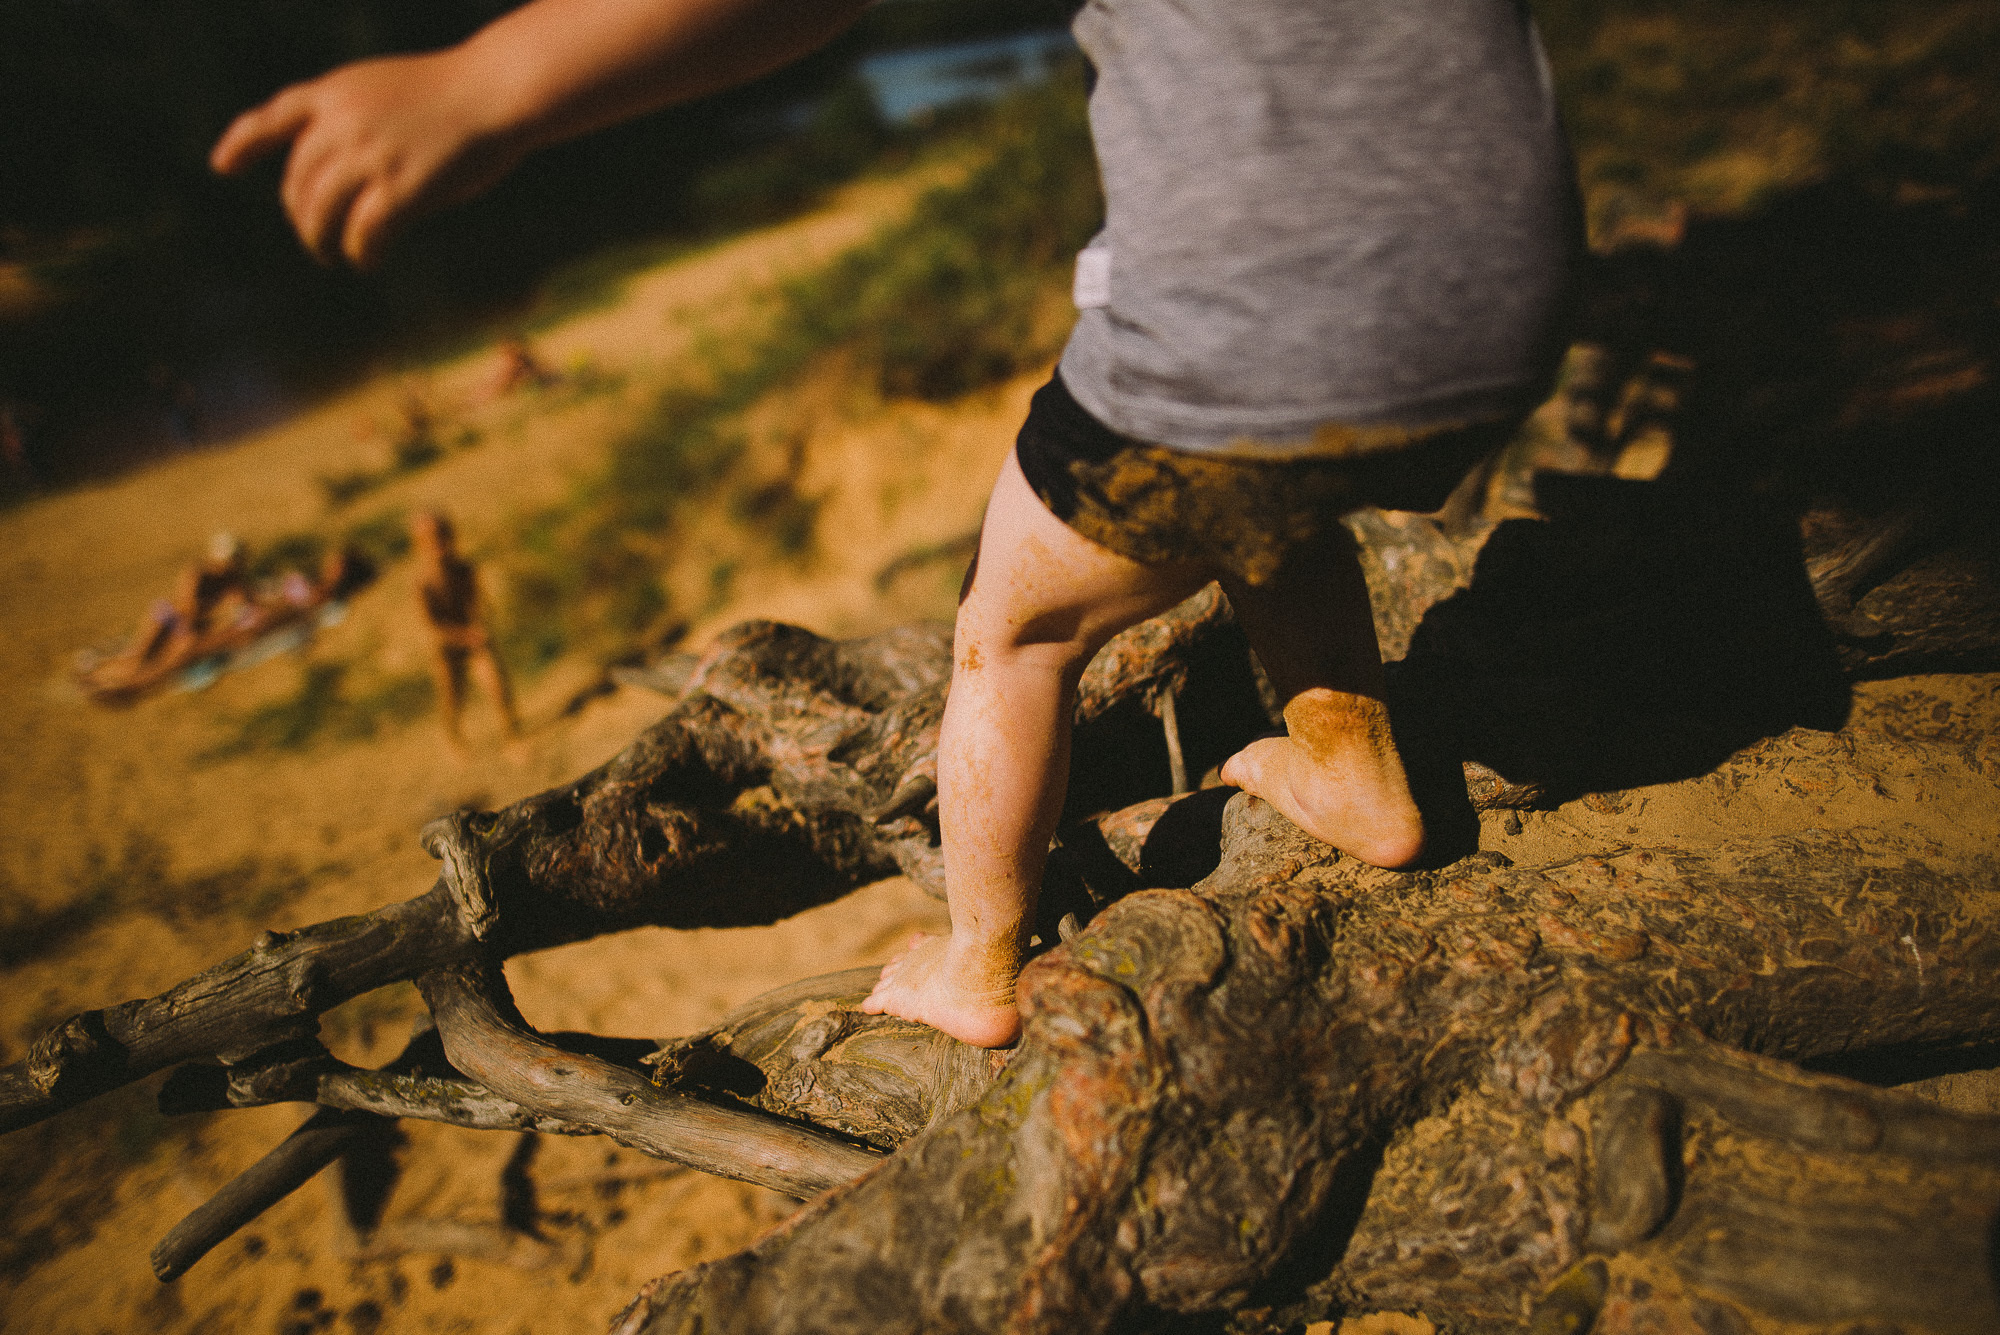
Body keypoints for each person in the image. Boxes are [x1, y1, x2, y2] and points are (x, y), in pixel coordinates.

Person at [212, 0, 1577, 1046]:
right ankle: (1356, 773)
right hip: (1508, 289)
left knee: (1013, 632)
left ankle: (977, 963)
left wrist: (484, 84)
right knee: (1269, 498)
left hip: (1255, 316)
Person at [410, 510, 521, 746]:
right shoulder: (423, 583)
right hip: (446, 649)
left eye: (442, 534)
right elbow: (431, 626)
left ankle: (513, 735)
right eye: (430, 537)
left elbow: (478, 603)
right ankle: (454, 740)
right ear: (420, 544)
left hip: (474, 639)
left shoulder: (465, 570)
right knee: (452, 700)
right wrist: (462, 635)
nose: (438, 541)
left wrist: (478, 626)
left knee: (497, 687)